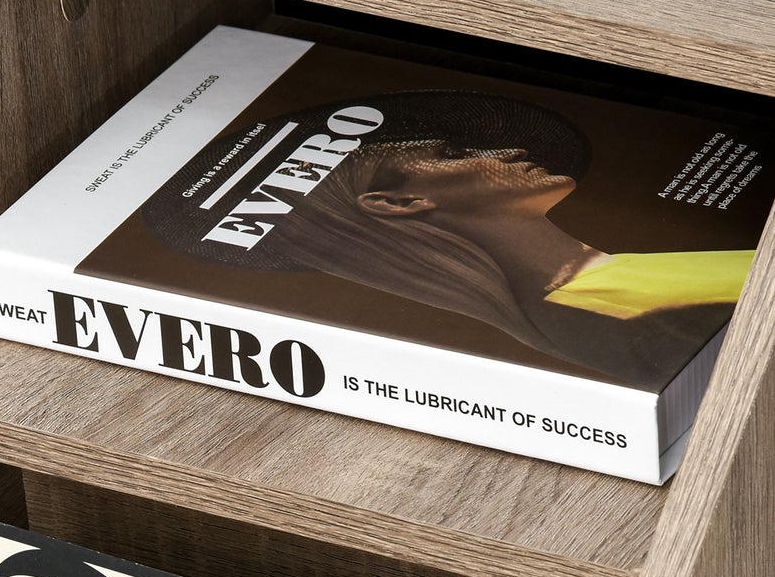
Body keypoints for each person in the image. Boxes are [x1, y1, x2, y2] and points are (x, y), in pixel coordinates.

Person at [140, 92, 752, 391]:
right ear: (398, 203)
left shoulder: (599, 287)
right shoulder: (599, 308)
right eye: (455, 153)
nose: (502, 152)